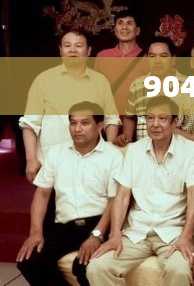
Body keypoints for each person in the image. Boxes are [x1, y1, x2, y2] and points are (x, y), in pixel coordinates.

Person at [87, 95, 194, 286]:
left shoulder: (190, 150)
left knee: (179, 270)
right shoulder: (134, 150)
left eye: (162, 118)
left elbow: (193, 197)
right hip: (136, 232)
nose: (155, 124)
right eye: (150, 118)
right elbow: (122, 196)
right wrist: (114, 234)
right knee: (97, 267)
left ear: (174, 122)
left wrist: (186, 236)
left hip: (172, 232)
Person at [16, 102, 123, 286]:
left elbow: (114, 201)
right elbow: (42, 194)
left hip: (98, 223)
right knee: (29, 261)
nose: (77, 129)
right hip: (66, 226)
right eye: (73, 123)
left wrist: (96, 235)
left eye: (84, 123)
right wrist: (35, 232)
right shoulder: (56, 153)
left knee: (84, 266)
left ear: (99, 126)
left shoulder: (113, 156)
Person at [19, 29, 120, 182]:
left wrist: (110, 149)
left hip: (93, 163)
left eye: (78, 46)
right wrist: (31, 159)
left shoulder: (100, 81)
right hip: (52, 162)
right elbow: (30, 124)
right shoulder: (43, 80)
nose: (73, 50)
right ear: (60, 50)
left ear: (89, 51)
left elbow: (111, 119)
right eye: (67, 45)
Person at [115, 36, 185, 146]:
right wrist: (127, 136)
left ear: (173, 59)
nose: (157, 61)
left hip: (180, 149)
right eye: (152, 56)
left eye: (163, 56)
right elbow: (130, 117)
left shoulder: (187, 84)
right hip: (144, 151)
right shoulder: (137, 85)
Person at [94, 10, 145, 114]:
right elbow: (96, 90)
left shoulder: (147, 58)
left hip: (137, 116)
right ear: (115, 30)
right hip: (109, 116)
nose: (124, 27)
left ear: (137, 31)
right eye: (120, 23)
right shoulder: (102, 56)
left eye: (129, 23)